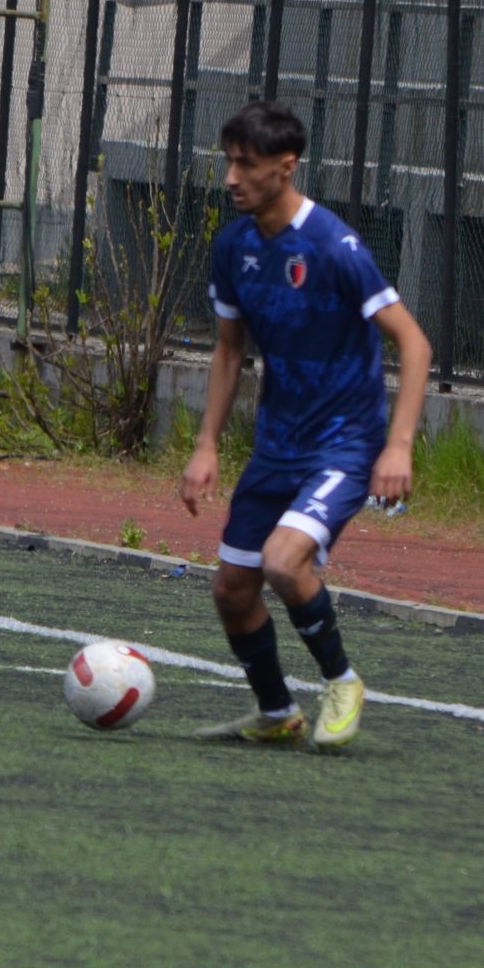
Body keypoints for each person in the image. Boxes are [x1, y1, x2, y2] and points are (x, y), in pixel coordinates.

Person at [180, 101, 432, 750]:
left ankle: (342, 681)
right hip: (277, 446)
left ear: (286, 166)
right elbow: (230, 350)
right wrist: (206, 445)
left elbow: (414, 342)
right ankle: (277, 712)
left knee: (283, 562)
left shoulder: (333, 246)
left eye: (246, 164)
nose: (231, 177)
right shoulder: (233, 247)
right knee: (232, 591)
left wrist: (398, 446)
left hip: (344, 445)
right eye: (228, 162)